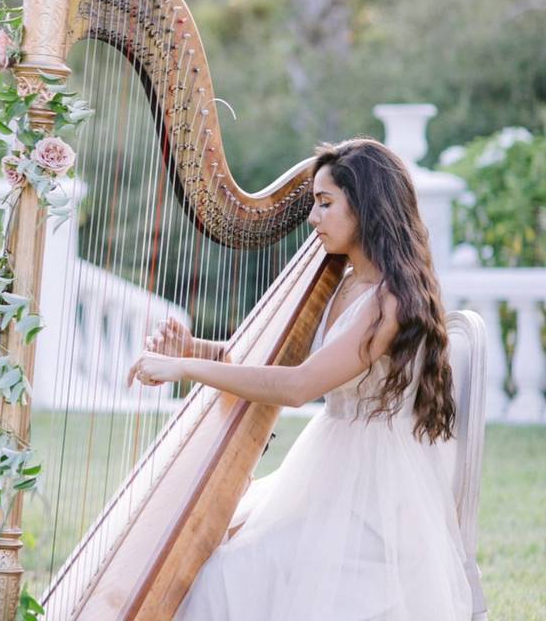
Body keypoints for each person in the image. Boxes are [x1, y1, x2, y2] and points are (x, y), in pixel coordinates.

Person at [127, 138, 473, 620]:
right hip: (333, 470)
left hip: (371, 495)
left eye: (326, 204)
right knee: (226, 548)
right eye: (314, 203)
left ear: (367, 207)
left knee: (226, 574)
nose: (313, 218)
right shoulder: (346, 281)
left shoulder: (389, 301)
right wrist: (195, 349)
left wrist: (187, 370)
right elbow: (286, 362)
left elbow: (298, 386)